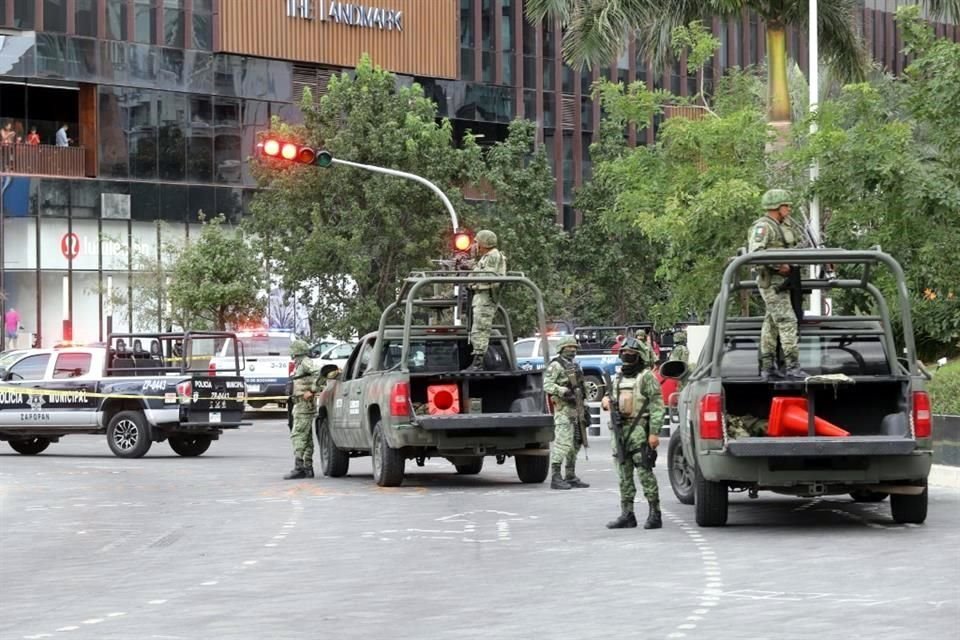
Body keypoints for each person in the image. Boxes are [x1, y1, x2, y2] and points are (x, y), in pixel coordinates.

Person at [602, 337, 665, 529]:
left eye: (631, 354)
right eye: (624, 353)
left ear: (639, 357)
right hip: (620, 431)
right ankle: (627, 514)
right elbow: (610, 395)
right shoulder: (618, 377)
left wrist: (654, 433)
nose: (627, 357)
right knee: (623, 474)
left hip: (639, 429)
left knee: (645, 472)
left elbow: (657, 405)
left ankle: (655, 513)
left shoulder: (646, 377)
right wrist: (606, 401)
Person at [748, 189, 808, 381]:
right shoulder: (764, 227)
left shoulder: (779, 226)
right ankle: (792, 366)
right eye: (786, 206)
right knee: (788, 321)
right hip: (772, 283)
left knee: (772, 324)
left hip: (783, 283)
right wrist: (778, 265)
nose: (789, 209)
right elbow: (755, 253)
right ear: (777, 207)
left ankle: (767, 366)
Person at [542, 336, 590, 490]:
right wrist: (561, 390)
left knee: (576, 442)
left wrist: (585, 402)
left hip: (577, 408)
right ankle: (556, 477)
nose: (573, 350)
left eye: (574, 347)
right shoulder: (556, 365)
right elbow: (547, 384)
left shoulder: (575, 365)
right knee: (563, 443)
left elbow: (582, 385)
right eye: (569, 347)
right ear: (562, 348)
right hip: (563, 409)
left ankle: (570, 475)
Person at [464, 229, 506, 371]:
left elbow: (487, 275)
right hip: (480, 296)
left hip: (485, 296)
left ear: (483, 243)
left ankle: (478, 363)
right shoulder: (486, 257)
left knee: (481, 329)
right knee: (477, 328)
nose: (475, 245)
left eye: (477, 242)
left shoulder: (493, 256)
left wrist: (472, 275)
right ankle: (477, 361)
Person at [284, 339, 321, 480]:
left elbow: (319, 373)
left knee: (298, 434)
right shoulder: (300, 363)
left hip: (303, 405)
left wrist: (312, 390)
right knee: (306, 437)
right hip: (299, 403)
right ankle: (308, 467)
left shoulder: (305, 362)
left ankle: (299, 467)